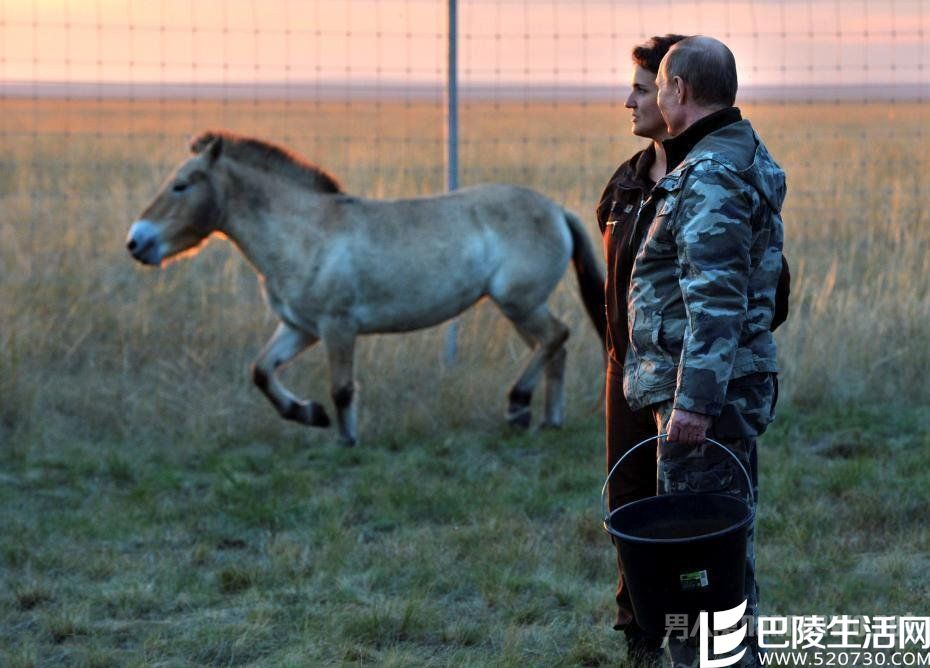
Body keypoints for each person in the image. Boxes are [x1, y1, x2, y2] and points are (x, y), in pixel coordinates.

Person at [624, 35, 787, 667]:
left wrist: (692, 405)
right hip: (719, 391)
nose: (652, 95)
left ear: (680, 93)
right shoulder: (732, 154)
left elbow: (714, 302)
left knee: (697, 567)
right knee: (722, 559)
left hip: (704, 404)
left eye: (657, 86)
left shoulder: (711, 174)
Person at [597, 33, 687, 666]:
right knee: (628, 503)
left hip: (689, 380)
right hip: (623, 372)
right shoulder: (625, 183)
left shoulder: (712, 182)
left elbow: (770, 292)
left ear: (672, 93)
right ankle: (639, 636)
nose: (627, 100)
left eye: (639, 88)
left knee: (689, 513)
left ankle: (696, 637)